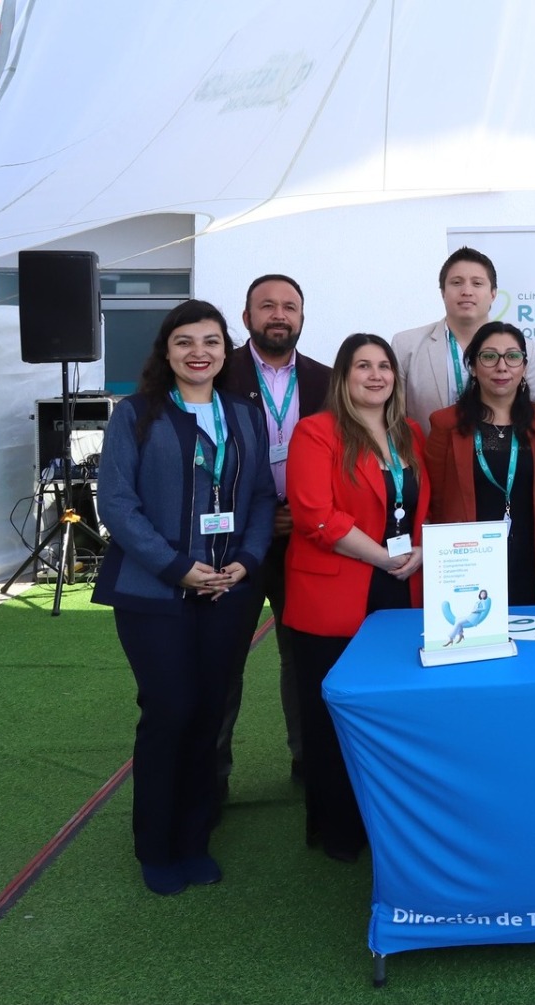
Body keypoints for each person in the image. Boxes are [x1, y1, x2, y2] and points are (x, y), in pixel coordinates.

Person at [93, 299, 276, 894]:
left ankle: (196, 837)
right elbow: (117, 504)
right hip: (155, 590)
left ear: (227, 351)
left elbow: (259, 500)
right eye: (185, 342)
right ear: (166, 352)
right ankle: (156, 844)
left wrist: (246, 563)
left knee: (208, 714)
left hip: (229, 592)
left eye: (212, 342)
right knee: (169, 711)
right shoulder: (136, 414)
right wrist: (178, 567)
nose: (199, 352)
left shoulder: (245, 415)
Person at [283, 332, 428, 862]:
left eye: (384, 366)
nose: (375, 376)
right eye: (362, 366)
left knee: (390, 715)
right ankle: (340, 830)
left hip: (401, 592)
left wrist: (419, 549)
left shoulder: (410, 433)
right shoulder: (316, 433)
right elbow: (315, 514)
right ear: (343, 378)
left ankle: (388, 824)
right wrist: (385, 557)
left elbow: (422, 510)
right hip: (336, 599)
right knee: (333, 719)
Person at [215, 273, 334, 796]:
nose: (278, 315)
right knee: (222, 660)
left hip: (307, 539)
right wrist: (258, 518)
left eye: (289, 306)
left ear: (303, 318)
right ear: (246, 318)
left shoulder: (328, 380)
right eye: (267, 306)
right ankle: (211, 778)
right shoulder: (217, 373)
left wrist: (306, 514)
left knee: (303, 657)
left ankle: (310, 764)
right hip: (232, 542)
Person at [424, 321, 535, 605]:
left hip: (530, 559)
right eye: (489, 356)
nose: (502, 366)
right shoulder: (445, 423)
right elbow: (434, 500)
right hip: (468, 566)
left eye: (512, 356)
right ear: (472, 366)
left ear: (523, 366)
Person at [392, 247, 499, 435]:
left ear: (493, 294)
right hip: (427, 460)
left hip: (501, 462)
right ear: (443, 292)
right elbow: (392, 419)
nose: (466, 291)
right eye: (457, 283)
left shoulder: (521, 349)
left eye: (477, 283)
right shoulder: (405, 346)